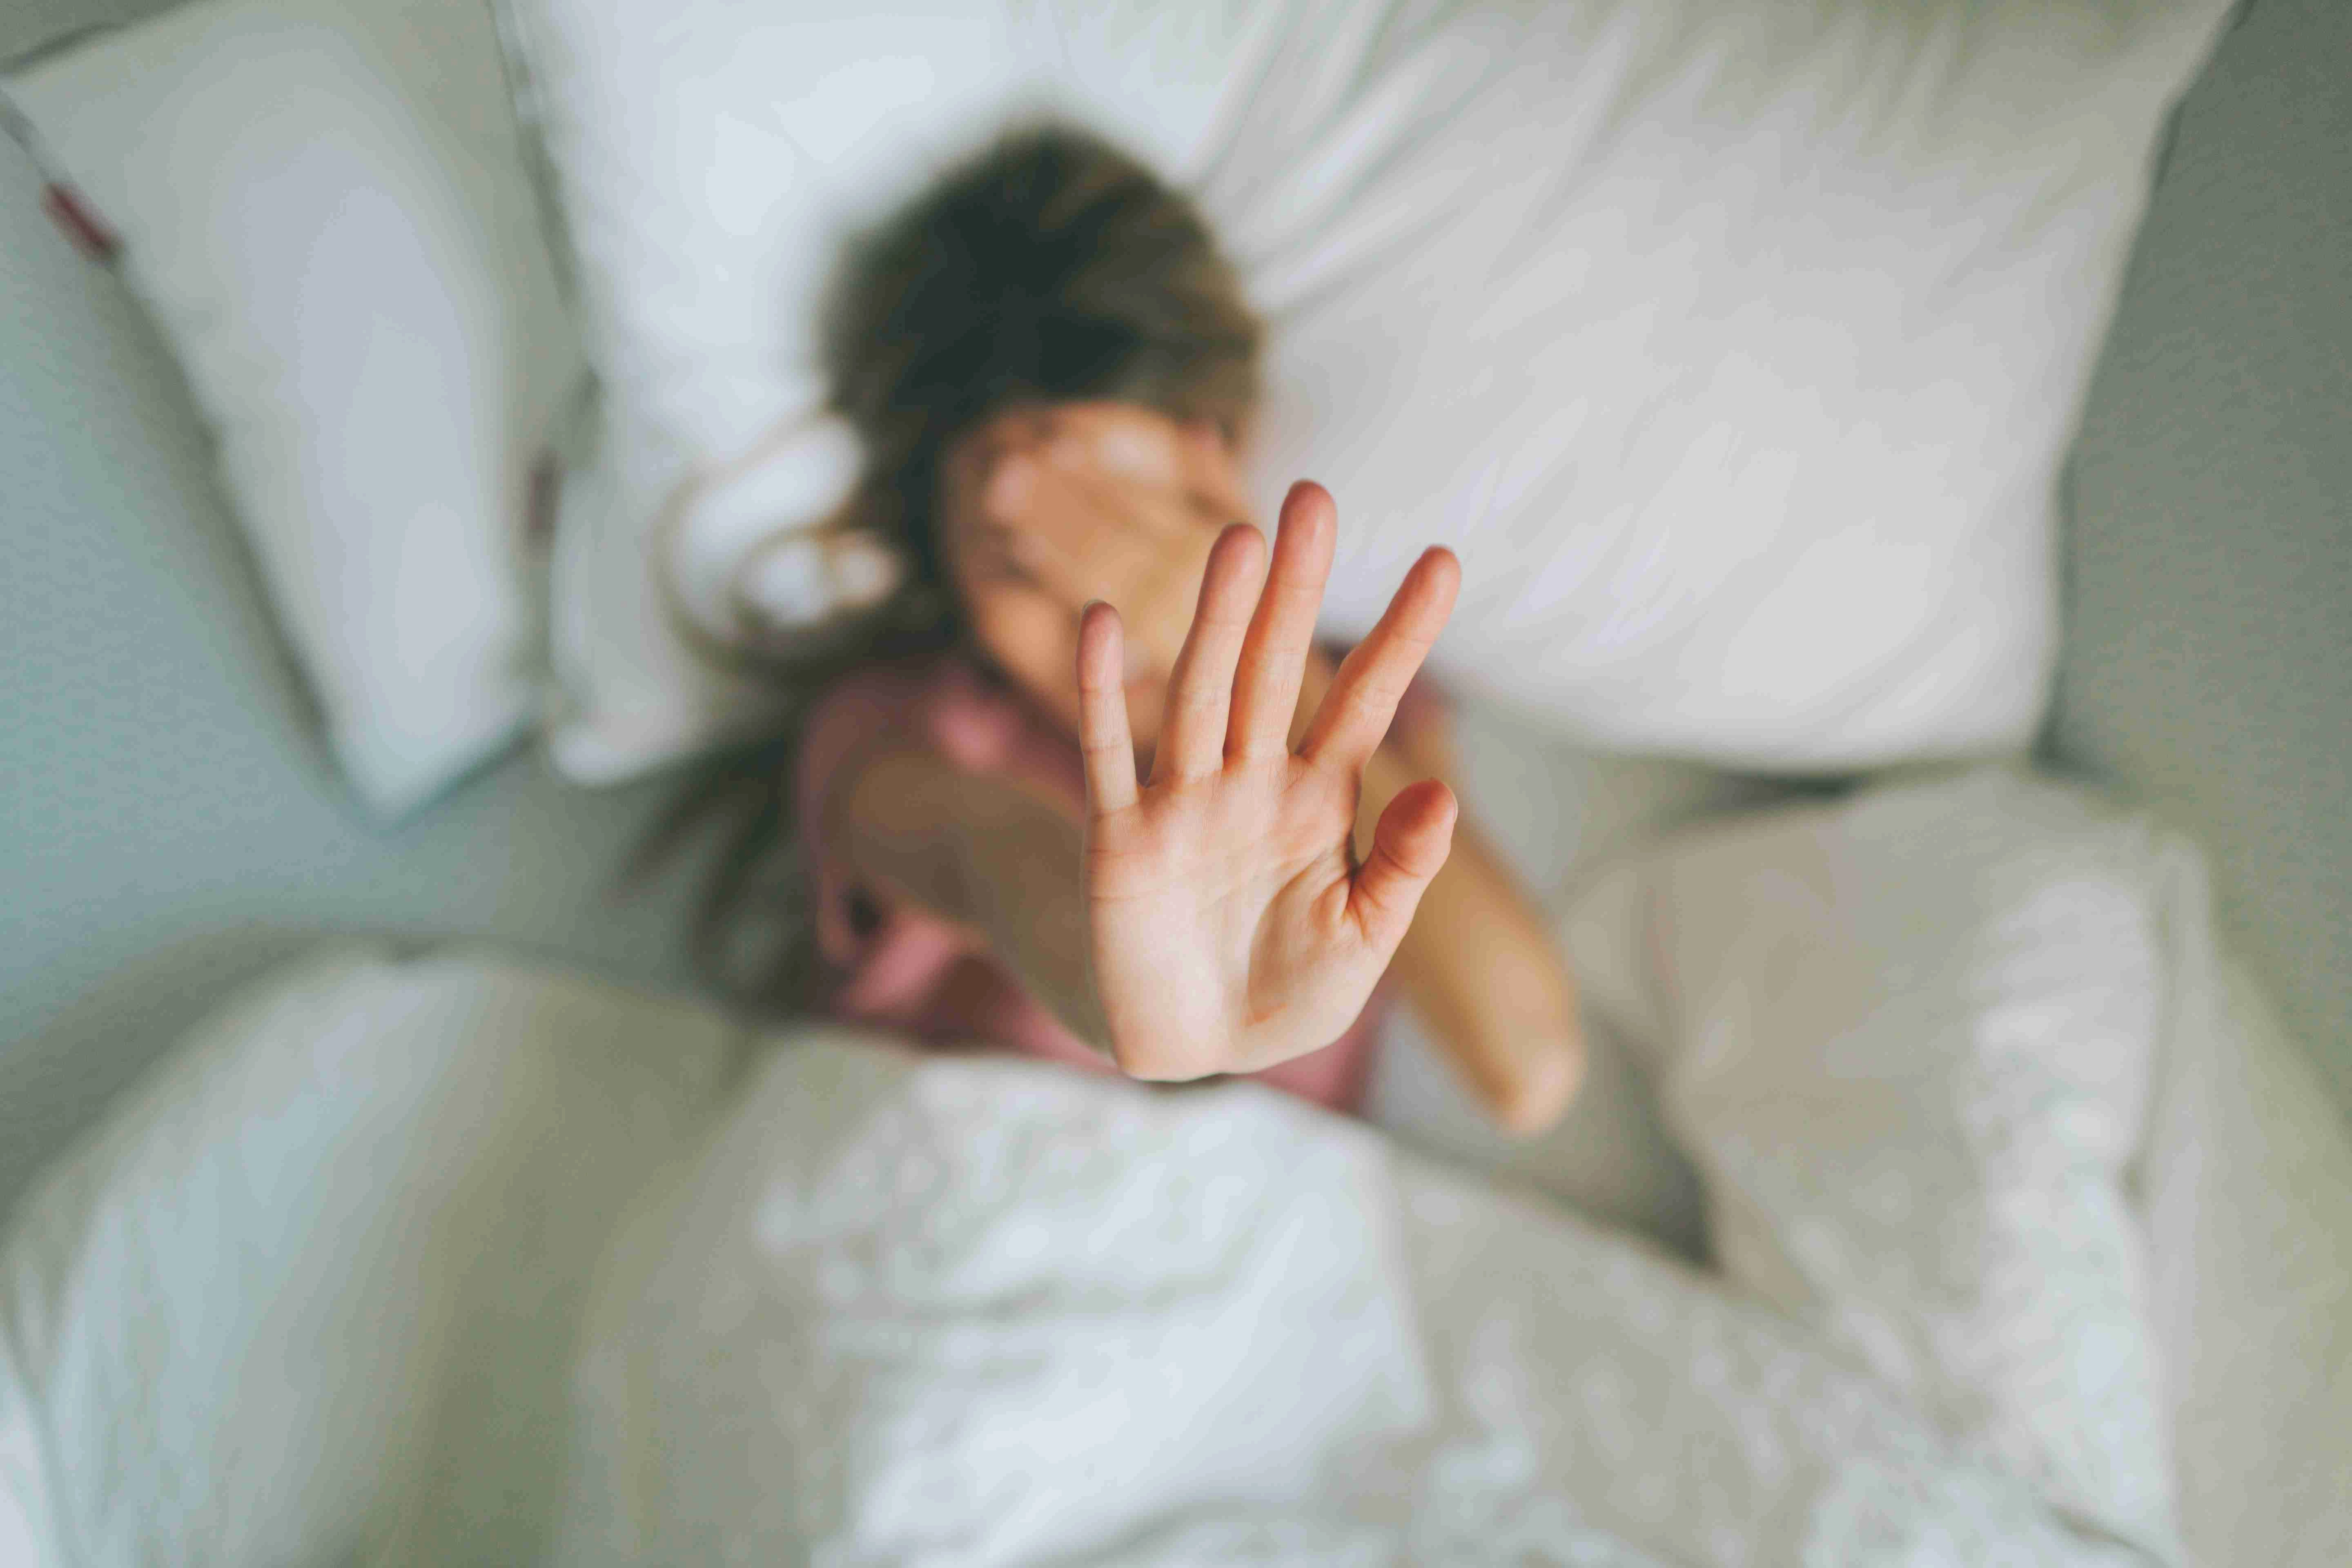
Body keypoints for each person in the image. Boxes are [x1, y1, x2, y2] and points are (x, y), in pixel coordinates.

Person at [660, 121, 1584, 1131]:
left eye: (1123, 530)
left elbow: (1529, 1070)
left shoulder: (1361, 723)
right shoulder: (904, 729)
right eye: (1020, 562)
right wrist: (1118, 988)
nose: (1102, 608)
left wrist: (1245, 663)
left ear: (1215, 468)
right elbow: (993, 858)